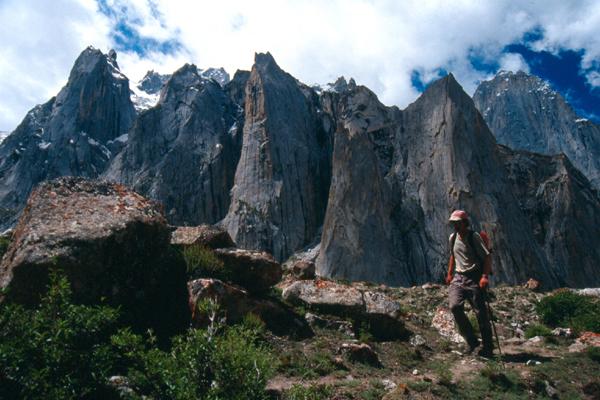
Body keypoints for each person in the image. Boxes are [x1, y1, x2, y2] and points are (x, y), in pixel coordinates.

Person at [445, 210, 494, 358]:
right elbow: (453, 256)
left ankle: (488, 347)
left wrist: (484, 276)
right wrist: (449, 274)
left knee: (481, 313)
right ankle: (472, 340)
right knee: (454, 306)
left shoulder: (474, 237)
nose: (455, 226)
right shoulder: (452, 238)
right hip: (459, 278)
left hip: (474, 277)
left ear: (464, 223)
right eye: (453, 223)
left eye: (457, 223)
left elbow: (486, 257)